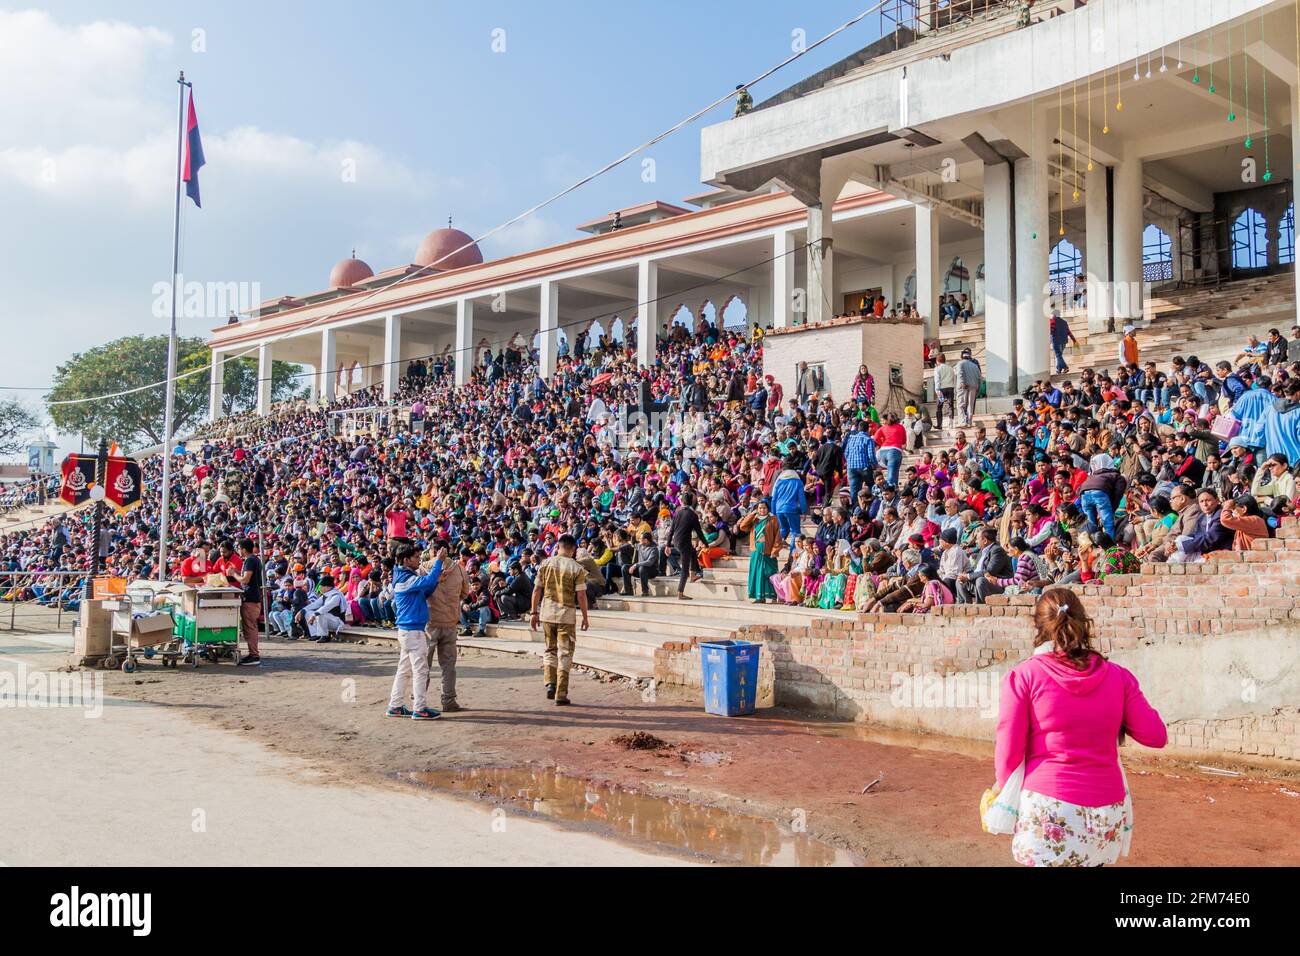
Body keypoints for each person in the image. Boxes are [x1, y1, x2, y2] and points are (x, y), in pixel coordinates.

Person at [994, 588, 1167, 866]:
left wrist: (1006, 798)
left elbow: (1008, 752)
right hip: (1106, 812)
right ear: (1082, 623)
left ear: (1037, 625)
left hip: (1047, 808)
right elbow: (1156, 736)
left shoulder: (1024, 675)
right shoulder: (1118, 676)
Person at [386, 545, 446, 720]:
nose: (419, 559)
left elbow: (424, 591)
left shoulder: (403, 577)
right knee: (420, 670)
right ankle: (419, 708)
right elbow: (426, 583)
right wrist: (439, 562)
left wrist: (436, 580)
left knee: (404, 669)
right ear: (406, 560)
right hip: (413, 630)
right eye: (416, 557)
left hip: (407, 630)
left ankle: (395, 705)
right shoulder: (406, 578)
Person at [529, 534, 590, 706]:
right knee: (565, 653)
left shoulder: (545, 564)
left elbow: (536, 590)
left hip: (547, 613)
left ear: (558, 546)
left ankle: (550, 683)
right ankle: (561, 693)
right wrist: (585, 617)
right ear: (572, 549)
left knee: (550, 650)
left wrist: (534, 613)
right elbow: (581, 595)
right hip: (566, 615)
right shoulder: (576, 568)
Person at [424, 543, 468, 712]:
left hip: (430, 623)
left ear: (432, 550)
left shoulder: (424, 568)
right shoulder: (459, 570)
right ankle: (448, 700)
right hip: (450, 622)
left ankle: (418, 700)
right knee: (449, 665)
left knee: (423, 665)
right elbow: (465, 593)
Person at [736, 499, 783, 604]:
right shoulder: (754, 519)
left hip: (768, 551)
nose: (762, 510)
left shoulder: (773, 519)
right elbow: (743, 526)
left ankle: (774, 596)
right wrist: (752, 514)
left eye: (764, 508)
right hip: (756, 550)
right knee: (757, 573)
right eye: (760, 508)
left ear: (768, 508)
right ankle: (759, 597)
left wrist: (775, 550)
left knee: (770, 573)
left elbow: (778, 537)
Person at [235, 538, 263, 666]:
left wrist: (233, 574)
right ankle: (252, 653)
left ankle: (254, 655)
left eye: (239, 548)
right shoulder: (254, 559)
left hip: (251, 598)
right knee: (249, 627)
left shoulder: (250, 560)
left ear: (244, 549)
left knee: (250, 627)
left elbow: (245, 580)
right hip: (252, 597)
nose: (238, 551)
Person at [304, 574, 347, 643]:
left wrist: (314, 615)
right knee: (308, 612)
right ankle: (315, 634)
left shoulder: (336, 596)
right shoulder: (325, 595)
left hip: (337, 622)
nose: (320, 588)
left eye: (321, 586)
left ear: (327, 587)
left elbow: (325, 608)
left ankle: (324, 636)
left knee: (321, 614)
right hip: (328, 620)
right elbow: (314, 604)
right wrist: (302, 611)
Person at [956, 349, 982, 427]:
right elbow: (979, 378)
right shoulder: (975, 366)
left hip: (963, 386)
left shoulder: (960, 363)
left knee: (961, 405)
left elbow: (960, 373)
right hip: (973, 387)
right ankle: (969, 421)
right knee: (970, 405)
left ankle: (963, 422)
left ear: (962, 357)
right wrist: (978, 389)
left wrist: (962, 383)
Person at [933, 352, 956, 429]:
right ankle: (951, 424)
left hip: (941, 389)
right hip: (950, 388)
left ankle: (939, 425)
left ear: (937, 361)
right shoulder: (950, 368)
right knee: (950, 406)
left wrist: (937, 390)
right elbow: (954, 378)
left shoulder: (937, 369)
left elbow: (937, 380)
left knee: (939, 407)